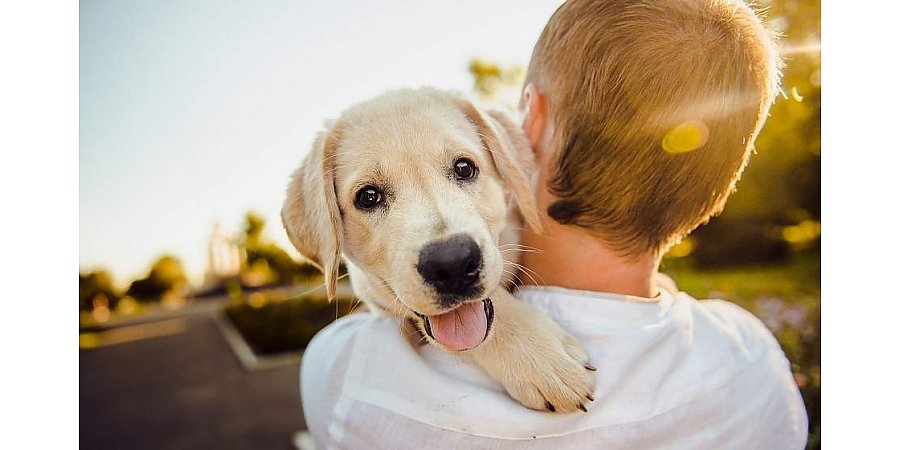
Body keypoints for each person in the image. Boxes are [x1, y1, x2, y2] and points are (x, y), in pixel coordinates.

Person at [300, 0, 808, 448]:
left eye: (463, 169)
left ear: (531, 122)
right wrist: (499, 328)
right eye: (370, 197)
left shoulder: (349, 377)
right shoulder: (754, 360)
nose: (446, 244)